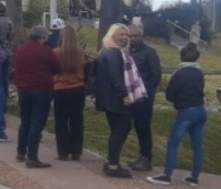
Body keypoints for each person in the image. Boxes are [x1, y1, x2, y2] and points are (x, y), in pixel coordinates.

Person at [147, 43, 207, 186]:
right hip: (201, 110)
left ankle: (167, 175)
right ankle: (194, 177)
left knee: (173, 143)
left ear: (181, 56)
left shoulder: (179, 73)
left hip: (186, 111)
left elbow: (170, 95)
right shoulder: (199, 73)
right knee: (197, 145)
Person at [93, 23, 148, 179]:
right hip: (115, 99)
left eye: (126, 34)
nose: (124, 37)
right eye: (120, 34)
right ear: (112, 35)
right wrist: (125, 95)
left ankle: (112, 161)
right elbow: (115, 76)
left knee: (118, 130)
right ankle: (113, 164)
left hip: (108, 98)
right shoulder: (114, 54)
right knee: (121, 129)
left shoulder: (107, 51)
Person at [13, 26, 61, 168]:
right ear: (42, 37)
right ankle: (32, 157)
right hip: (41, 90)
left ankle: (21, 152)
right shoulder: (46, 51)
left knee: (25, 120)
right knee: (37, 122)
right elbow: (57, 68)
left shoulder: (20, 49)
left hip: (23, 89)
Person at [126, 23, 161, 172]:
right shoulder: (127, 51)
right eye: (130, 36)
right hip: (129, 95)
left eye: (136, 36)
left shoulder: (149, 52)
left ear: (141, 36)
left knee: (143, 127)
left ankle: (146, 157)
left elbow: (156, 74)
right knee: (130, 126)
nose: (133, 39)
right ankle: (141, 156)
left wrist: (146, 92)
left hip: (143, 96)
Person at [52, 26, 87, 161]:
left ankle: (63, 152)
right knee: (77, 120)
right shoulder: (80, 52)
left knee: (61, 121)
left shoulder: (56, 52)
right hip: (78, 88)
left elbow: (52, 71)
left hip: (61, 89)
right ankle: (76, 151)